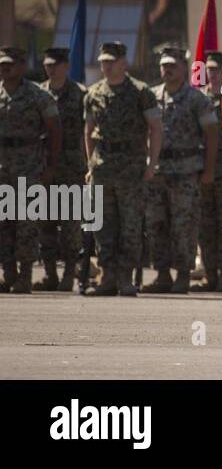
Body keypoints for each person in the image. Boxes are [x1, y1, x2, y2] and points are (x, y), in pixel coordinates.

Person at [83, 41, 162, 297]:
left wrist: (152, 163)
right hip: (103, 167)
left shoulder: (140, 92)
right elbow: (89, 131)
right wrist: (89, 164)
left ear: (123, 63)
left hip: (131, 169)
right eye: (103, 61)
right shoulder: (93, 93)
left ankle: (126, 278)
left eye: (111, 61)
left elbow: (156, 129)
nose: (106, 65)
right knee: (103, 226)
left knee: (130, 226)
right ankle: (107, 277)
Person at [143, 44, 219, 294]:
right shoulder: (151, 96)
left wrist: (208, 170)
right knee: (156, 224)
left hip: (187, 171)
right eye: (164, 66)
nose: (167, 70)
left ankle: (183, 275)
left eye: (172, 66)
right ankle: (162, 274)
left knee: (184, 226)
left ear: (184, 68)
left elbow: (211, 135)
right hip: (158, 172)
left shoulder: (197, 99)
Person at [0, 46, 61, 293]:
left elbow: (55, 131)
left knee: (27, 222)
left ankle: (25, 275)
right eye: (2, 63)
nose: (5, 67)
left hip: (29, 167)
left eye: (10, 64)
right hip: (2, 167)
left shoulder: (38, 95)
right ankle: (8, 273)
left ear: (22, 66)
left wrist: (51, 166)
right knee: (4, 221)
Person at [37, 47, 84, 292]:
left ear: (66, 66)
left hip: (71, 168)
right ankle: (49, 274)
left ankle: (69, 273)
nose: (51, 68)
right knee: (44, 221)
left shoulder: (81, 94)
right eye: (47, 64)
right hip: (43, 167)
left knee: (70, 224)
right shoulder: (37, 93)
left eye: (56, 64)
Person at [196, 50, 222, 292]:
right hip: (200, 171)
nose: (213, 73)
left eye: (218, 69)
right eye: (209, 68)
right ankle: (210, 275)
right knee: (204, 225)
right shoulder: (198, 99)